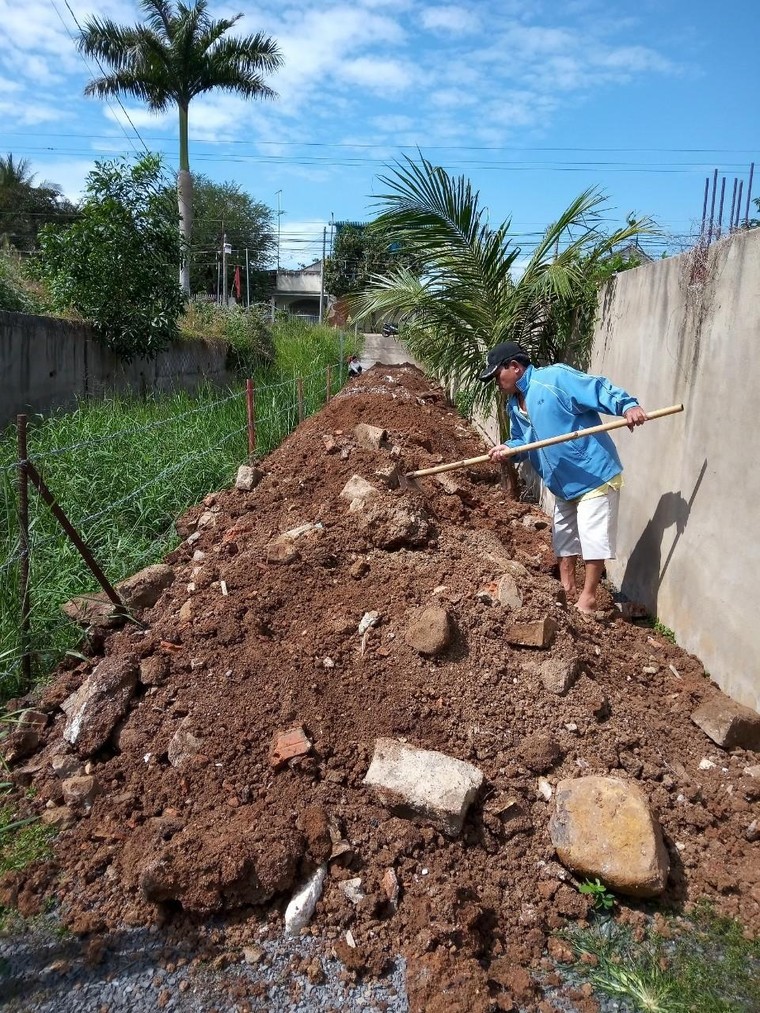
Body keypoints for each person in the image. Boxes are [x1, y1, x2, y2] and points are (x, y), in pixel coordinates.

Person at [479, 340, 647, 613]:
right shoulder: (514, 405)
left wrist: (627, 406)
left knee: (594, 537)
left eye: (497, 375)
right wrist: (509, 449)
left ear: (514, 367)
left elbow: (596, 387)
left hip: (593, 474)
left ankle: (589, 598)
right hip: (561, 483)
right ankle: (567, 590)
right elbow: (522, 441)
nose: (497, 382)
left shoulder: (553, 378)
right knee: (564, 538)